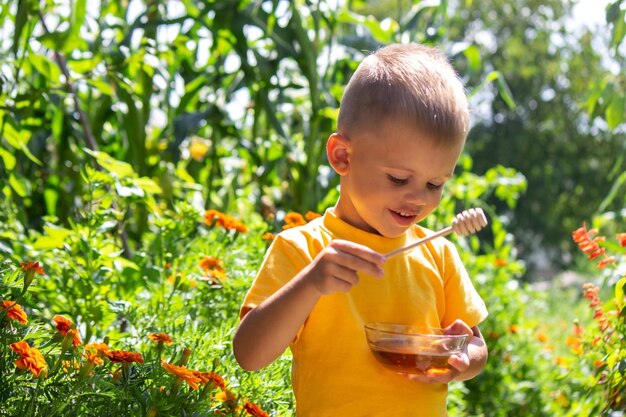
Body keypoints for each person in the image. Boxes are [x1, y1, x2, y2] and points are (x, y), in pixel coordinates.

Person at [233, 43, 488, 417]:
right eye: (399, 178)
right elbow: (249, 355)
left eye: (435, 184)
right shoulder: (304, 249)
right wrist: (311, 283)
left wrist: (465, 359)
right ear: (342, 157)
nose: (418, 198)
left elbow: (476, 346)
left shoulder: (438, 253)